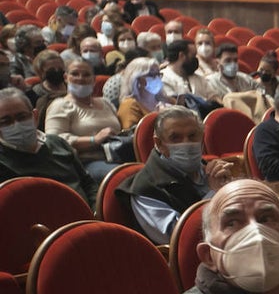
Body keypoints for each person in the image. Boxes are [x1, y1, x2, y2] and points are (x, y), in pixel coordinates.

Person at [119, 105, 233, 243]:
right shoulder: (145, 188)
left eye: (192, 136)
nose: (187, 143)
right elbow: (181, 238)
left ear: (202, 138)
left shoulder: (210, 170)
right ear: (159, 144)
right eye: (175, 138)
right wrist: (215, 195)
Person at [0, 87, 97, 207]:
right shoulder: (3, 161)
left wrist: (95, 211)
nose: (16, 125)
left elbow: (88, 183)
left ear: (35, 116)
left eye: (22, 117)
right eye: (6, 121)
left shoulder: (58, 143)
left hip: (85, 216)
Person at [44, 57, 124, 182]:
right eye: (75, 74)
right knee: (125, 176)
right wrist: (94, 140)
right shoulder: (60, 105)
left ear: (93, 80)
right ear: (66, 78)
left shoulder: (106, 102)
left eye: (86, 75)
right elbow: (54, 141)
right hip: (86, 163)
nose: (81, 78)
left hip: (119, 155)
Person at [117, 57, 170, 130]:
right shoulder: (129, 105)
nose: (157, 78)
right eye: (152, 75)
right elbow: (133, 135)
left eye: (158, 74)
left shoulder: (164, 99)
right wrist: (161, 117)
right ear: (136, 79)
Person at [27, 50, 67, 128]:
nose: (56, 71)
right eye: (51, 70)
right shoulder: (33, 95)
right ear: (41, 72)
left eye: (60, 68)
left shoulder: (74, 89)